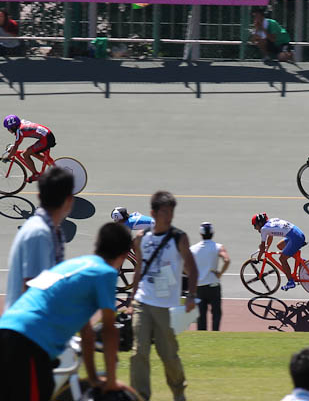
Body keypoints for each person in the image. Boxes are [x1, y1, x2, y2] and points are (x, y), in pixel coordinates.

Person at [0, 223, 133, 401]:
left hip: (9, 329)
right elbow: (109, 330)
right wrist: (111, 382)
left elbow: (87, 333)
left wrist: (93, 378)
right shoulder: (105, 272)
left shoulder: (75, 265)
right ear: (124, 255)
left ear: (96, 245)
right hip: (29, 342)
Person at [129, 191, 198, 401]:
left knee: (168, 355)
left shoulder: (179, 238)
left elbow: (192, 269)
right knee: (138, 352)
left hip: (164, 306)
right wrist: (132, 299)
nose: (169, 217)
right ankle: (140, 396)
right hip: (142, 301)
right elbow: (139, 269)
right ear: (153, 213)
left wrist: (192, 295)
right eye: (164, 212)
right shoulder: (141, 239)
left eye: (171, 212)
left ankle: (178, 391)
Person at [4, 166, 74, 311]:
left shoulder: (51, 230)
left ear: (39, 196)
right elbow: (32, 287)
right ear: (69, 201)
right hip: (27, 328)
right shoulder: (39, 233)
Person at [189, 222, 230, 331]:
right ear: (212, 233)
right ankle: (215, 334)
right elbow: (226, 260)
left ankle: (203, 336)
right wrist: (220, 273)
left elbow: (184, 264)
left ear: (200, 234)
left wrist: (192, 276)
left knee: (201, 316)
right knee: (216, 314)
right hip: (214, 285)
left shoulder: (193, 249)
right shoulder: (218, 247)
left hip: (199, 286)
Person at [252, 213, 306, 292]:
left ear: (260, 223)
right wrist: (267, 247)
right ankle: (300, 261)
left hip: (295, 238)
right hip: (298, 234)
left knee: (282, 259)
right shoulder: (270, 221)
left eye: (255, 226)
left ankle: (290, 281)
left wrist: (258, 258)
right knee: (280, 246)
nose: (255, 228)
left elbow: (262, 247)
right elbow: (270, 237)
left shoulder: (264, 229)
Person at [2, 114, 57, 183]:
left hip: (46, 139)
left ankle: (36, 174)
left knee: (25, 154)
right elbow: (17, 143)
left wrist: (8, 157)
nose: (8, 130)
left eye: (8, 128)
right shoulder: (22, 123)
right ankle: (49, 162)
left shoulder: (20, 131)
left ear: (13, 127)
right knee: (31, 152)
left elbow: (16, 147)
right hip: (47, 136)